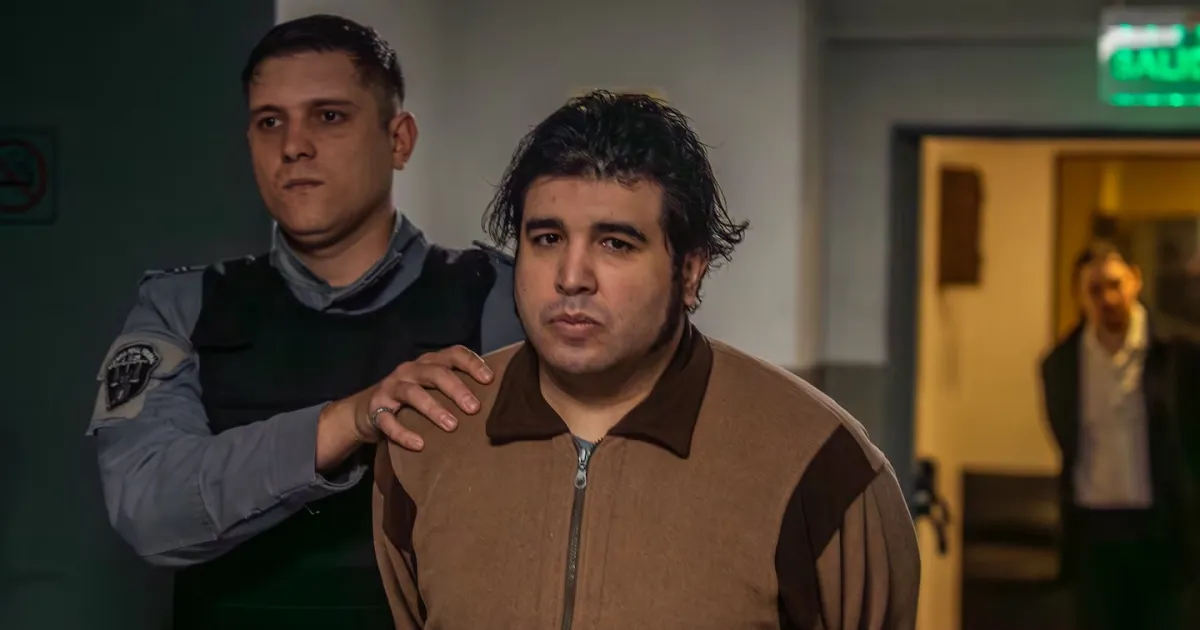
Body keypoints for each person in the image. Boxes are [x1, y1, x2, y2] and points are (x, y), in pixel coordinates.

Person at [372, 90, 921, 629]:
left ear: (690, 272)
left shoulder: (822, 465)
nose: (571, 277)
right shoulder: (429, 441)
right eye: (547, 238)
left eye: (615, 243)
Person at [87, 15, 524, 629]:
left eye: (329, 115)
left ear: (399, 140)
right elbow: (149, 511)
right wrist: (347, 421)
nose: (293, 146)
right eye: (271, 122)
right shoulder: (181, 307)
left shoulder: (499, 298)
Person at [1040, 241, 1200, 630]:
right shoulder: (1060, 364)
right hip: (1093, 531)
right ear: (1079, 295)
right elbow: (1067, 441)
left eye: (1115, 284)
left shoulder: (1180, 353)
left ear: (1135, 280)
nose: (1108, 299)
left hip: (1162, 530)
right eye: (1095, 289)